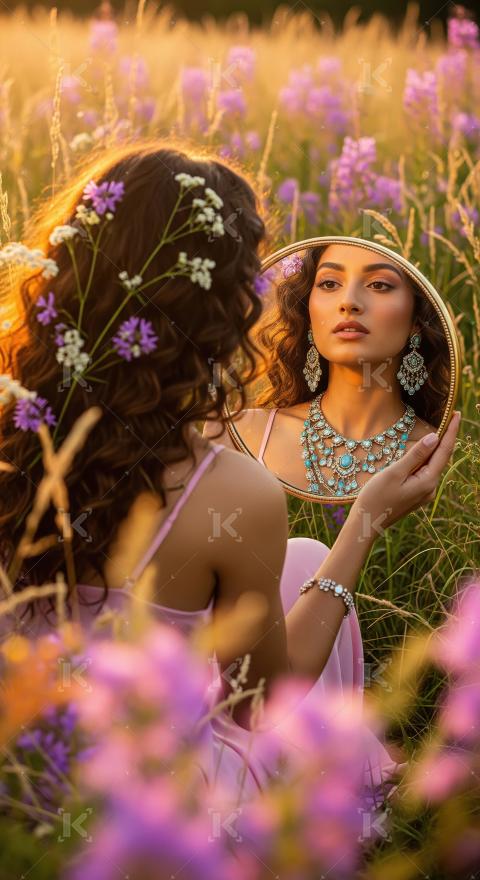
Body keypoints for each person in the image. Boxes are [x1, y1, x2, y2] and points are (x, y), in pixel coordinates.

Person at [0, 139, 461, 805]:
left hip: (28, 774)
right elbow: (262, 705)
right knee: (319, 563)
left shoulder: (17, 431)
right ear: (217, 313)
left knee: (300, 559)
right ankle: (346, 799)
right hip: (146, 806)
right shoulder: (236, 494)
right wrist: (363, 523)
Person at [206, 242, 451, 497]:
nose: (348, 302)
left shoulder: (440, 459)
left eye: (379, 284)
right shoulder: (239, 433)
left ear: (415, 320)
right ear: (308, 312)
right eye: (330, 284)